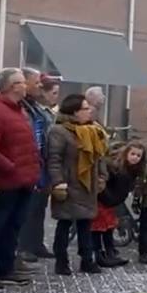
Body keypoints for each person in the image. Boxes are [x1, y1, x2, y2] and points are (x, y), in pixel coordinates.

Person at [0, 69, 41, 289]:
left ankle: (6, 268)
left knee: (13, 226)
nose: (26, 86)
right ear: (12, 86)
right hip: (5, 183)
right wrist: (11, 168)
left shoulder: (19, 111)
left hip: (23, 181)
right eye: (22, 82)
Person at [46, 94, 109, 275]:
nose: (89, 111)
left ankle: (87, 260)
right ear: (74, 112)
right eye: (85, 108)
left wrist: (102, 177)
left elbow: (99, 156)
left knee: (85, 224)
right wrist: (58, 183)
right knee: (65, 223)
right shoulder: (59, 131)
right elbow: (54, 160)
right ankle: (61, 260)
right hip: (69, 185)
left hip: (87, 184)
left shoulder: (92, 130)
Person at [16, 69, 57, 263]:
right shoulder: (21, 107)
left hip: (42, 163)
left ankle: (36, 243)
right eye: (36, 82)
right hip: (30, 163)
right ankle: (23, 246)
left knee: (39, 205)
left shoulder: (35, 106)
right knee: (28, 207)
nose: (40, 85)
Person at [95, 140, 144, 268]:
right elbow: (107, 185)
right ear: (126, 153)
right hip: (104, 201)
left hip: (111, 202)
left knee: (109, 227)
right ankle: (99, 255)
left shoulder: (132, 170)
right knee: (99, 228)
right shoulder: (118, 169)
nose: (135, 158)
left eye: (138, 156)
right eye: (133, 154)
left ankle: (110, 252)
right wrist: (108, 198)